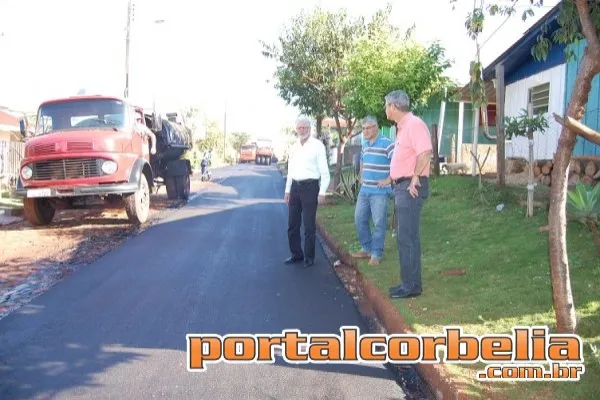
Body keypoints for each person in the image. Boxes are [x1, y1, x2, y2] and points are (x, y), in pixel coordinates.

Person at [379, 90, 432, 299]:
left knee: (407, 237)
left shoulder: (414, 124)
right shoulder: (402, 128)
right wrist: (391, 178)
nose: (385, 109)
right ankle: (409, 283)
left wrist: (415, 177)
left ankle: (411, 286)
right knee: (406, 236)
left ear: (393, 107)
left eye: (386, 105)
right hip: (402, 186)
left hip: (411, 186)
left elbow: (425, 152)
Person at [284, 116, 331, 268]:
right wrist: (287, 190)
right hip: (295, 187)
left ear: (310, 129)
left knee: (309, 225)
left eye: (305, 127)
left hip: (310, 187)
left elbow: (325, 172)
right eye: (300, 127)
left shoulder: (318, 146)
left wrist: (322, 192)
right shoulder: (294, 147)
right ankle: (296, 254)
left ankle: (309, 257)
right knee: (292, 224)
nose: (302, 130)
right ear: (296, 129)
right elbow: (290, 170)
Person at [351, 116, 394, 266]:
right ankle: (366, 248)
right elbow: (362, 160)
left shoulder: (387, 143)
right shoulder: (365, 144)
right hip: (365, 190)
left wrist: (389, 179)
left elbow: (397, 163)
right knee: (359, 219)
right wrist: (362, 176)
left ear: (376, 127)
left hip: (379, 192)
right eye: (363, 129)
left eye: (368, 128)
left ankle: (376, 253)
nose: (365, 131)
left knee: (379, 223)